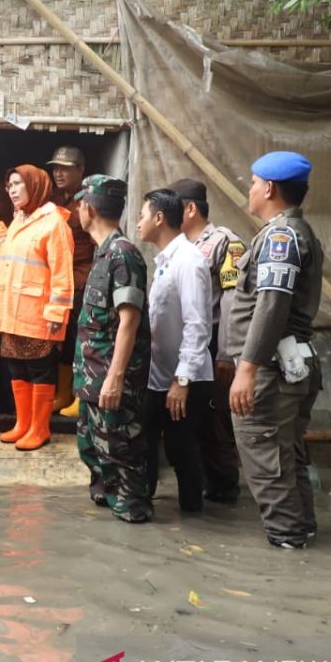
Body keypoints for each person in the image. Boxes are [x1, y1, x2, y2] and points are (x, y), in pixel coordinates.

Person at [225, 151, 323, 550]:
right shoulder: (290, 232)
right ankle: (301, 535)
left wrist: (246, 370)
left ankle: (288, 548)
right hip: (288, 365)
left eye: (252, 182)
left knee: (267, 463)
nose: (249, 189)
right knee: (287, 457)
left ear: (268, 187)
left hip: (270, 372)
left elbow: (272, 304)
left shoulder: (281, 237)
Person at [71, 176, 153, 522]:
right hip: (93, 376)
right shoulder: (103, 253)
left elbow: (129, 320)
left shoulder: (124, 255)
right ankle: (112, 506)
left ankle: (134, 517)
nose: (78, 210)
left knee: (121, 451)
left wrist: (116, 377)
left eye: (79, 204)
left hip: (110, 378)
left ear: (88, 208)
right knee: (93, 448)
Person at [0, 164, 74, 451]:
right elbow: (9, 254)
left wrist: (57, 312)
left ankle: (40, 428)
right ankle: (23, 423)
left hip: (38, 313)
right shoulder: (20, 218)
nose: (12, 190)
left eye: (18, 183)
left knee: (40, 371)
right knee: (17, 368)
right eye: (10, 185)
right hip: (13, 312)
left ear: (36, 186)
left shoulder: (54, 223)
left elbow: (62, 273)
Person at [136, 188, 213, 512]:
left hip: (185, 378)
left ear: (158, 218)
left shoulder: (189, 261)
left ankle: (194, 524)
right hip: (160, 375)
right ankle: (142, 513)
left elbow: (198, 325)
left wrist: (182, 381)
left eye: (142, 216)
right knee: (145, 444)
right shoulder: (166, 261)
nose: (138, 223)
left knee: (182, 452)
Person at [169, 178, 245, 504]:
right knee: (189, 419)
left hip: (214, 345)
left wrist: (227, 354)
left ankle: (224, 488)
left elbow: (232, 301)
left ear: (190, 208)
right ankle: (198, 486)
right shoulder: (178, 246)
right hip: (187, 347)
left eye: (173, 208)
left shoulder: (224, 243)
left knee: (215, 420)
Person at [46, 146, 95, 416]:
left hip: (81, 279)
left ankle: (79, 395)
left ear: (80, 170)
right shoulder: (54, 200)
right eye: (55, 167)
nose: (58, 172)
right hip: (58, 281)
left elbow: (96, 241)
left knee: (81, 338)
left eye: (65, 168)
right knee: (62, 339)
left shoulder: (87, 202)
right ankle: (63, 393)